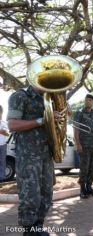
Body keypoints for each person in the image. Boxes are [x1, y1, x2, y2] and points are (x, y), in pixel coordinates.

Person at [7, 85, 57, 235]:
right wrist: (43, 120)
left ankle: (38, 226)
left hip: (45, 153)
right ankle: (29, 230)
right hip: (28, 155)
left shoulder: (48, 99)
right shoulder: (19, 96)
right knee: (30, 195)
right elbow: (12, 124)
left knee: (46, 193)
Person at [73, 94, 93, 199]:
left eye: (90, 100)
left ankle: (89, 187)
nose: (87, 102)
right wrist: (78, 143)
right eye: (86, 100)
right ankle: (82, 189)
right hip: (84, 145)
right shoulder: (79, 113)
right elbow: (76, 129)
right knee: (84, 168)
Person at [0, 105, 10, 183]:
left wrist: (4, 132)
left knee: (2, 162)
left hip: (3, 145)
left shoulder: (4, 123)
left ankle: (2, 179)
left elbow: (7, 134)